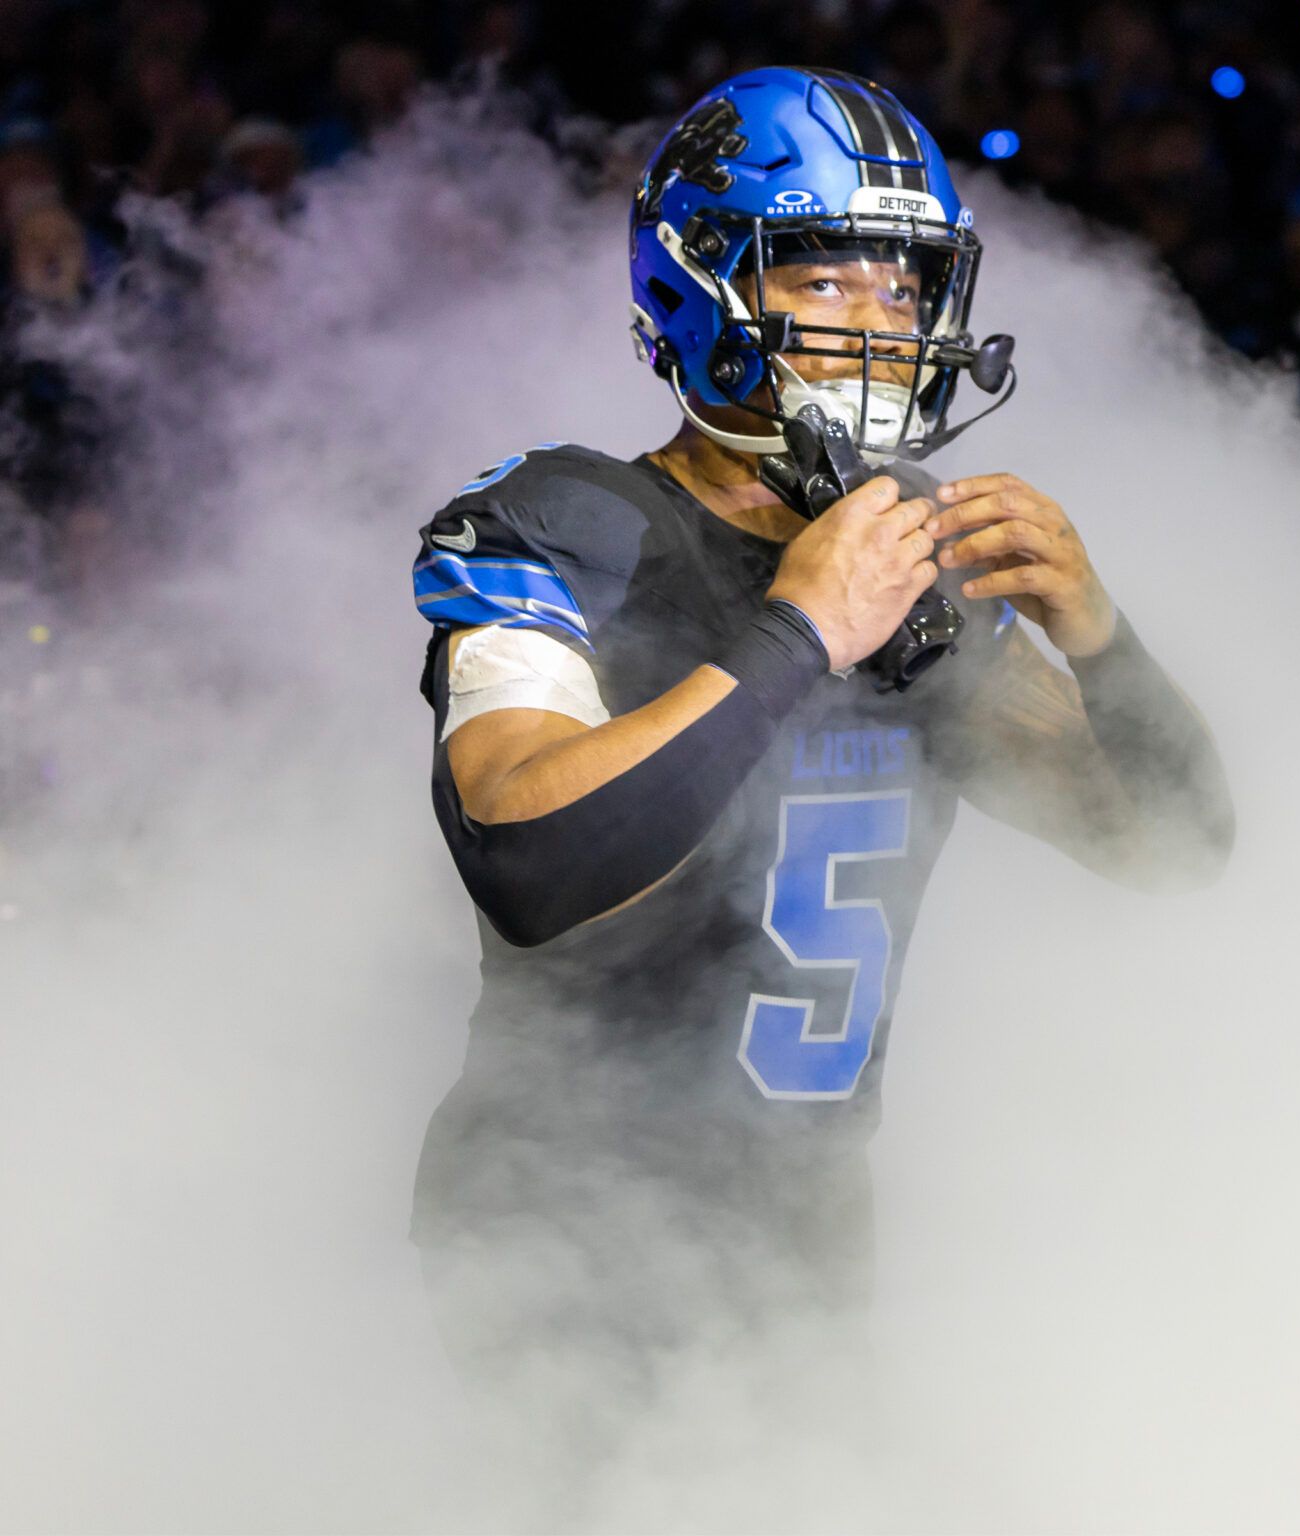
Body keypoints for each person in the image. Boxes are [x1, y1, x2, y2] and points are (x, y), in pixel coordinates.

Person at [406, 66, 1233, 1468]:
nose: (880, 329)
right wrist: (797, 633)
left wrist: (1103, 639)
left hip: (803, 1231)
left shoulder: (919, 562)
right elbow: (527, 862)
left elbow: (1170, 847)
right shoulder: (561, 526)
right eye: (829, 285)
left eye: (903, 293)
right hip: (562, 1220)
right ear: (703, 287)